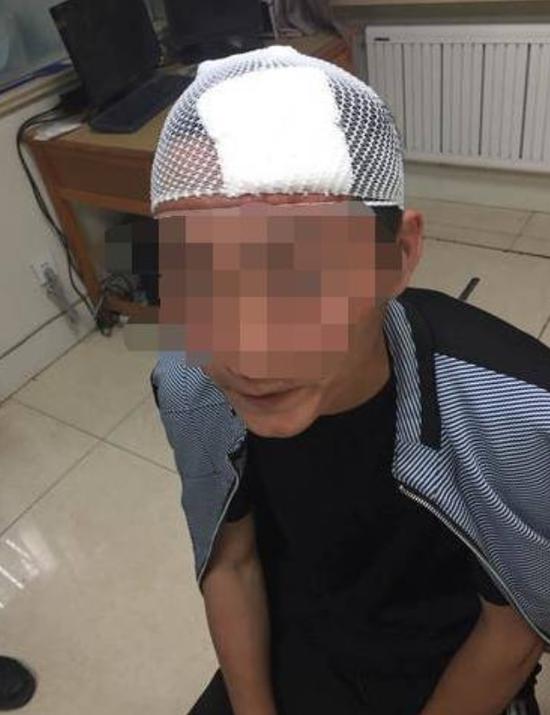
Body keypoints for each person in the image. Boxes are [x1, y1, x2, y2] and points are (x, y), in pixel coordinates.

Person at [148, 45, 549, 715]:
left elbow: (511, 633)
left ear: (399, 254)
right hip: (299, 638)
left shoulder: (519, 416)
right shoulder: (189, 381)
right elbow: (230, 560)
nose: (246, 354)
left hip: (446, 660)